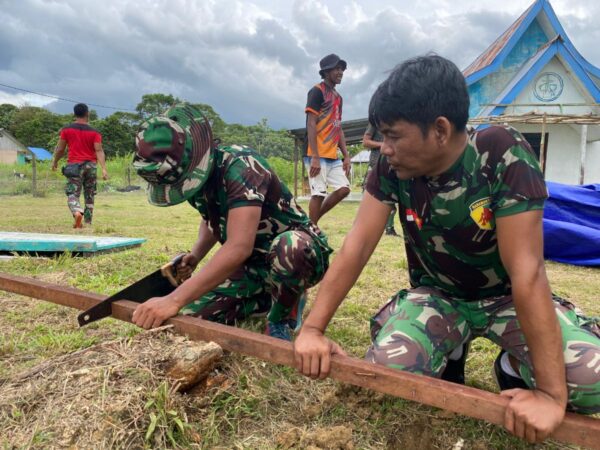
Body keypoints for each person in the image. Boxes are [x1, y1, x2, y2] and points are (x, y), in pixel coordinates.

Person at [293, 55, 600, 443]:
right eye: (381, 136)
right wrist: (313, 329)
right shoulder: (392, 168)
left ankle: (511, 366)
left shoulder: (500, 153)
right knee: (387, 370)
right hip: (440, 298)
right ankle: (449, 351)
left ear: (439, 129)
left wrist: (552, 395)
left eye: (393, 135)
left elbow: (528, 273)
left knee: (592, 382)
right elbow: (357, 246)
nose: (383, 148)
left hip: (505, 300)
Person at [130, 103, 332, 341]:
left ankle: (282, 313)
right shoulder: (195, 179)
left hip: (297, 256)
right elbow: (212, 218)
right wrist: (195, 256)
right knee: (189, 316)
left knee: (290, 247)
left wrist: (173, 298)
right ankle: (265, 299)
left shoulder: (241, 166)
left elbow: (238, 247)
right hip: (252, 265)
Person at [304, 53, 351, 225]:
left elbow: (338, 127)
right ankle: (311, 228)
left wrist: (346, 155)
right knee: (318, 193)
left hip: (332, 154)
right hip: (315, 152)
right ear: (326, 71)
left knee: (344, 189)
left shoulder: (338, 98)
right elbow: (311, 123)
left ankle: (310, 223)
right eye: (337, 69)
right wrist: (315, 156)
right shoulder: (317, 91)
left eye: (342, 69)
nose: (341, 72)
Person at [51, 103, 108, 228]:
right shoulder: (95, 132)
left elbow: (60, 149)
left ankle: (77, 211)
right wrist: (103, 169)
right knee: (90, 195)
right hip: (91, 166)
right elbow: (99, 150)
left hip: (74, 166)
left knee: (73, 193)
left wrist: (55, 161)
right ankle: (87, 222)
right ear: (87, 114)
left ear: (74, 114)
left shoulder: (67, 130)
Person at [362, 124, 398, 236]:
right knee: (378, 198)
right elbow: (365, 142)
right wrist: (383, 144)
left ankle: (389, 228)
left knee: (391, 202)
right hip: (377, 163)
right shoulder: (375, 122)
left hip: (392, 163)